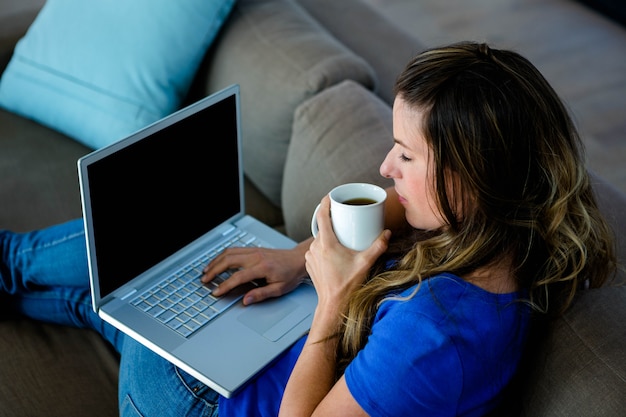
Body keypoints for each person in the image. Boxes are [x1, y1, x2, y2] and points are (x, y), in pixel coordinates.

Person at [0, 41, 616, 416]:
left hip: (203, 407)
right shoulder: (510, 225)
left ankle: (11, 258)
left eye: (405, 154)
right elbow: (398, 205)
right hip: (259, 364)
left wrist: (331, 301)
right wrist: (299, 258)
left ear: (469, 179)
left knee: (158, 258)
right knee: (125, 295)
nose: (385, 168)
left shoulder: (434, 344)